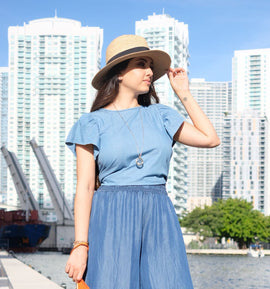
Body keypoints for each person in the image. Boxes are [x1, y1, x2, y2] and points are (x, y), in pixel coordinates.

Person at [65, 34, 220, 289]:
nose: (149, 71)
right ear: (119, 73)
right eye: (141, 64)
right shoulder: (91, 123)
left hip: (158, 215)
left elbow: (210, 139)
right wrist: (80, 245)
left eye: (150, 65)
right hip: (111, 217)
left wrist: (184, 94)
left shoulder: (161, 115)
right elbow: (84, 188)